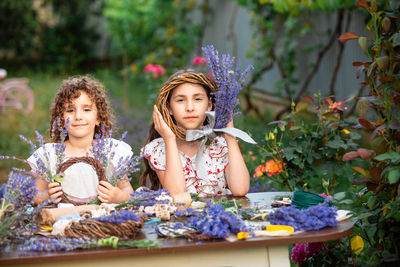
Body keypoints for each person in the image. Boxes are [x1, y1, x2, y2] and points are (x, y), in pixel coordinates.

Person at [140, 70, 250, 197]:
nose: (190, 108)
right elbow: (178, 195)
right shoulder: (160, 149)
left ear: (209, 105)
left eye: (197, 99)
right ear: (169, 108)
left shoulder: (219, 145)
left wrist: (229, 134)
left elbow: (240, 189)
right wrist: (169, 139)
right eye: (180, 100)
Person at [29, 75, 134, 204]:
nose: (78, 116)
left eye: (86, 109)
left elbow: (128, 192)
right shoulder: (51, 155)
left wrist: (118, 196)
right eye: (70, 110)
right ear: (61, 119)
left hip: (102, 221)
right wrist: (47, 196)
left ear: (99, 117)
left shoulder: (111, 152)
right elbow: (35, 197)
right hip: (62, 220)